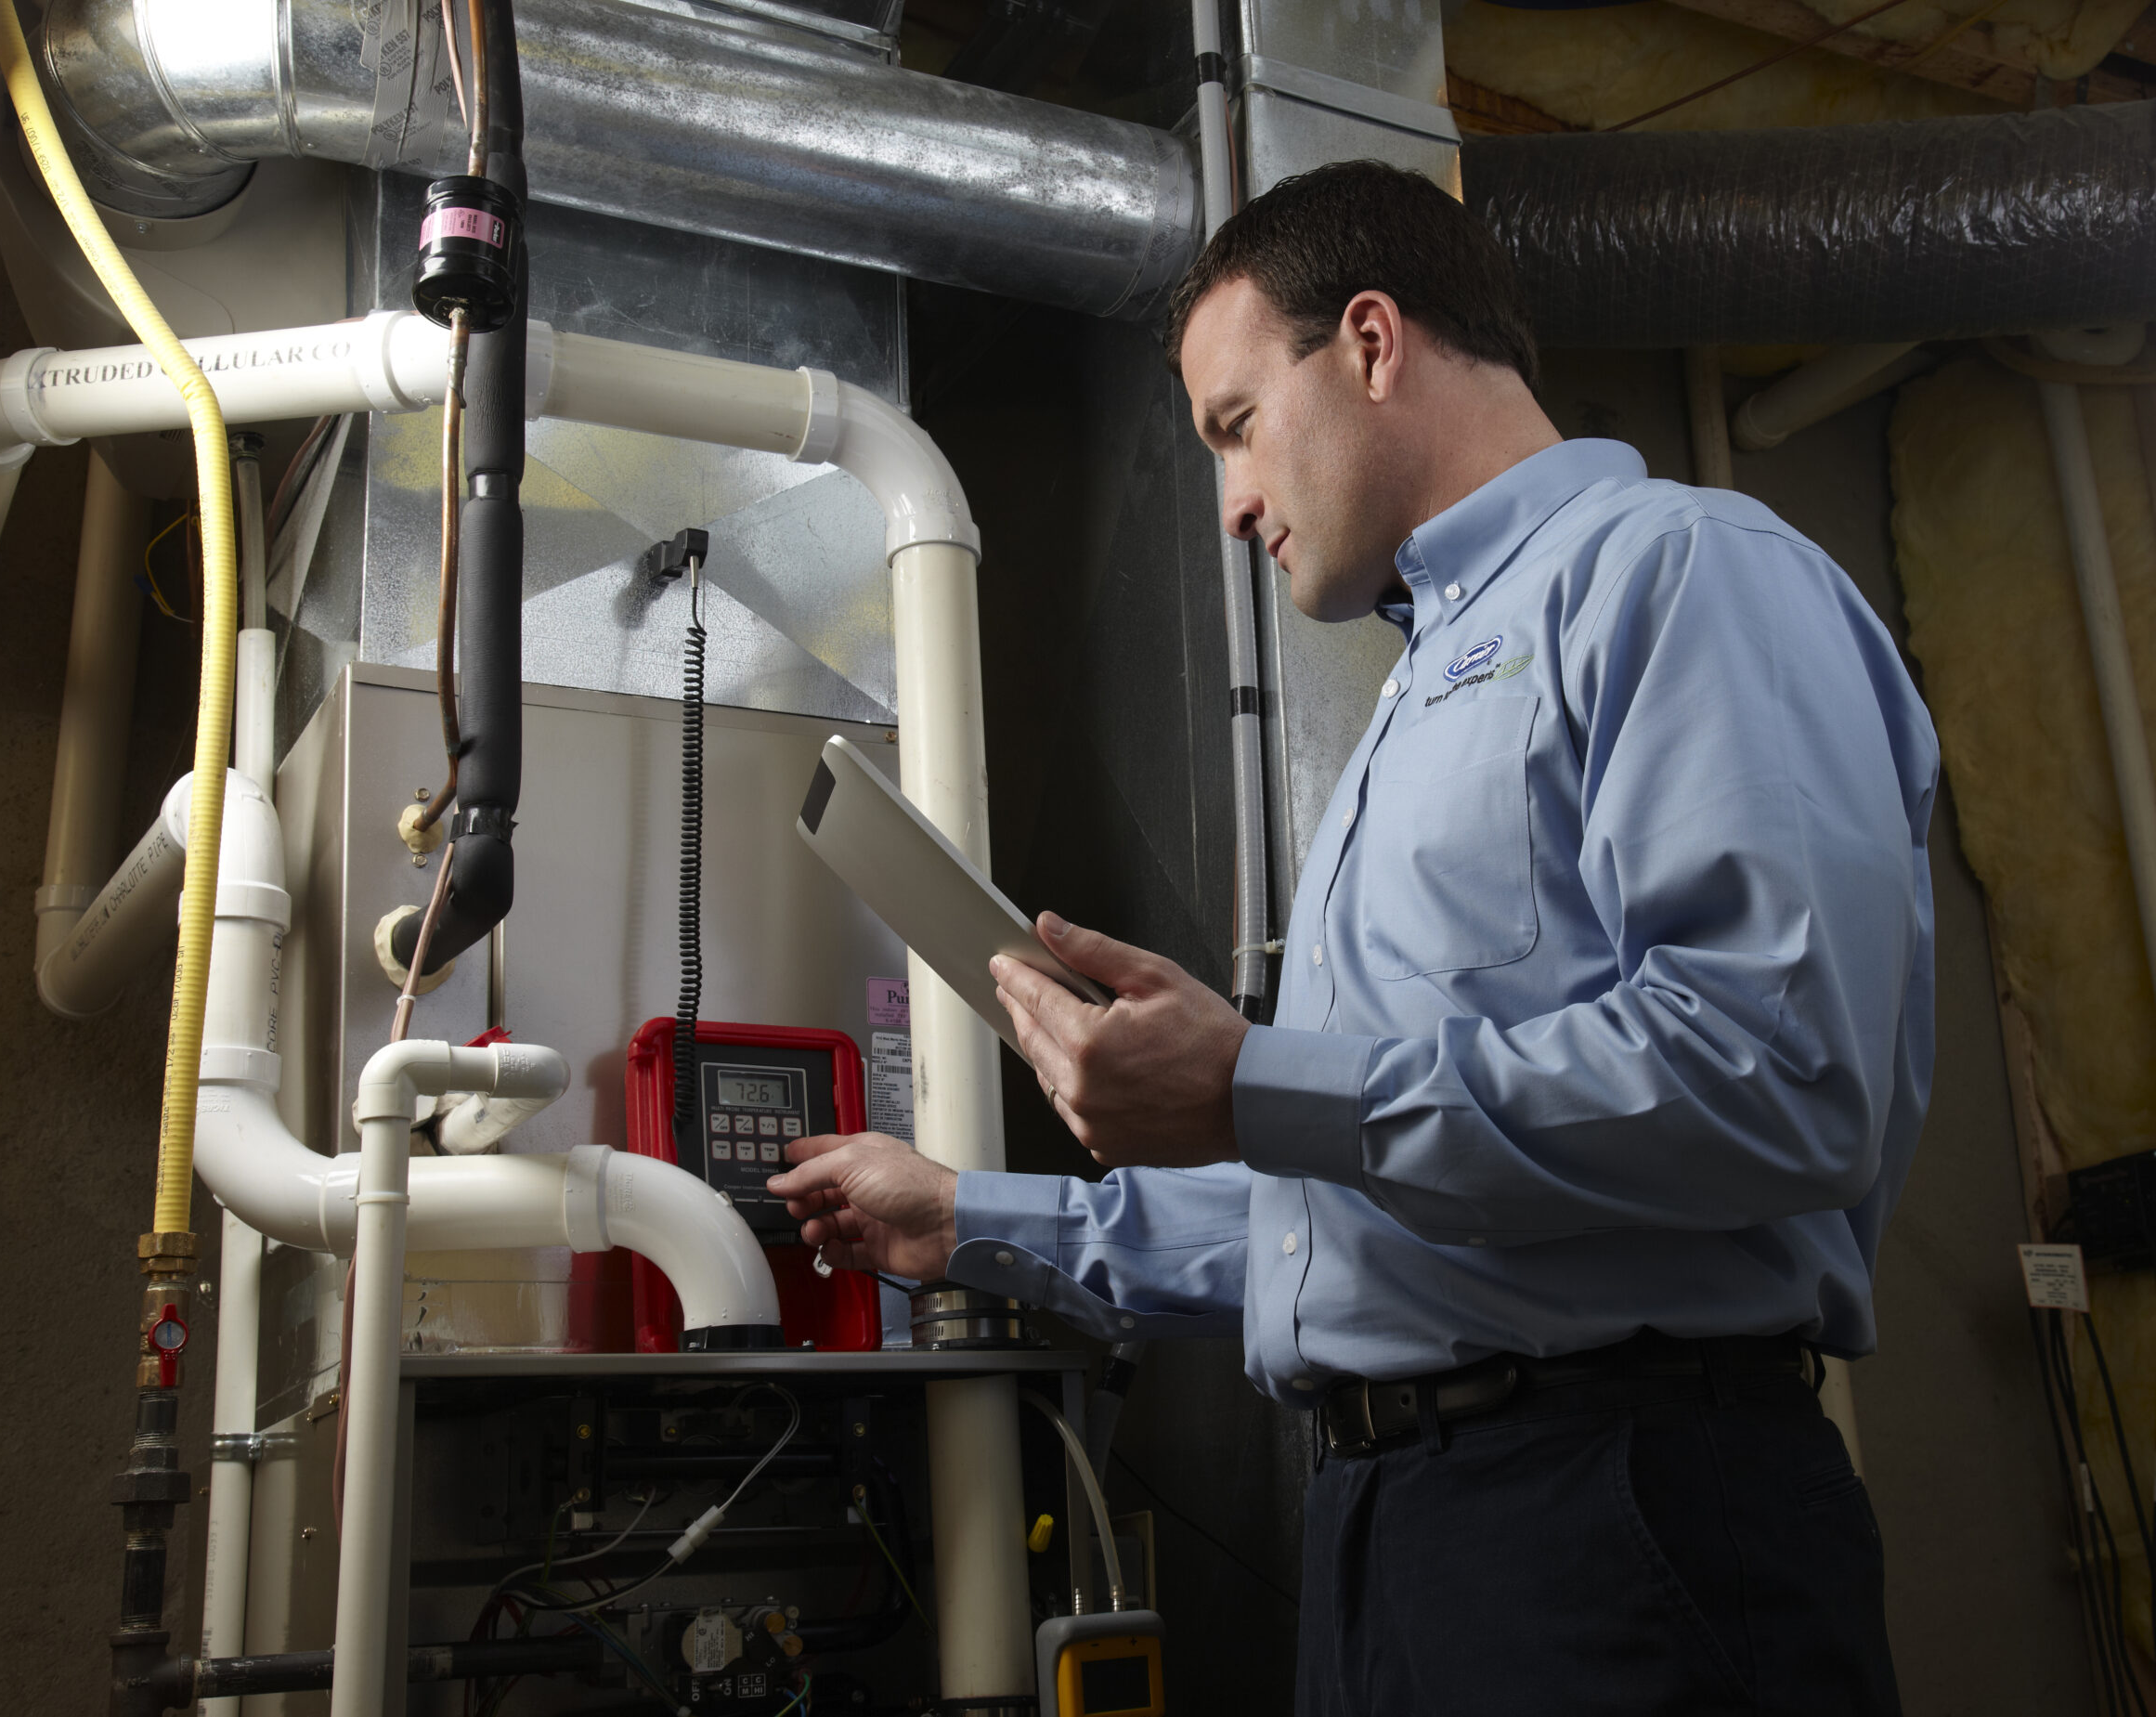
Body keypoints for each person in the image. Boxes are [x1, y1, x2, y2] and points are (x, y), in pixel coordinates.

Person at [768, 159, 1938, 1715]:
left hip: (1620, 1516)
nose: (1234, 502)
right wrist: (969, 1217)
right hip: (1398, 1537)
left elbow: (1784, 1074)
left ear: (1374, 342)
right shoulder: (1416, 701)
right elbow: (1359, 1211)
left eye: (1236, 428)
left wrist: (1259, 1085)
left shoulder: (1682, 573)